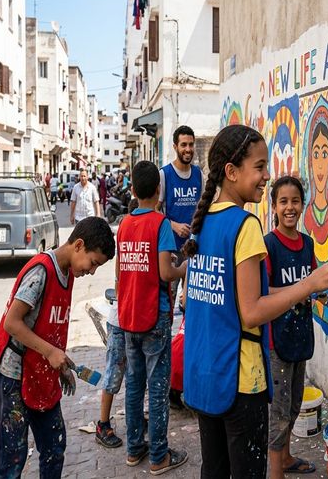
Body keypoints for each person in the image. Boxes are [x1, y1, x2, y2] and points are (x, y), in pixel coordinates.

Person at [180, 125, 328, 478]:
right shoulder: (245, 225)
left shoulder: (203, 222)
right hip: (239, 379)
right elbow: (252, 310)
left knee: (214, 470)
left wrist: (308, 284)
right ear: (231, 171)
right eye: (259, 166)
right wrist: (308, 285)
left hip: (205, 374)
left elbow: (244, 295)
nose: (267, 175)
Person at [0, 217, 116, 478]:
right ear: (78, 245)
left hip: (40, 373)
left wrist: (59, 364)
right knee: (12, 458)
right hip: (14, 377)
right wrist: (50, 352)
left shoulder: (68, 273)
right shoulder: (41, 272)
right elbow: (12, 323)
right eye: (93, 263)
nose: (92, 271)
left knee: (54, 445)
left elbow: (49, 327)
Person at [116, 160, 188, 473]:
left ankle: (134, 449)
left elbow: (119, 273)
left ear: (132, 190)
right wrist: (185, 268)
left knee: (134, 386)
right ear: (158, 190)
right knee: (157, 390)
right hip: (154, 314)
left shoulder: (123, 224)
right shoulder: (160, 224)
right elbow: (165, 272)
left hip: (128, 315)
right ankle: (159, 456)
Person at [264, 176, 318, 477]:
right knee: (278, 412)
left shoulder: (307, 244)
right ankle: (275, 472)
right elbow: (262, 292)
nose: (290, 207)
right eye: (283, 201)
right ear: (274, 206)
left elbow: (311, 282)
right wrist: (298, 290)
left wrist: (318, 289)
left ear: (303, 204)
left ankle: (285, 458)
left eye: (295, 201)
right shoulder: (269, 245)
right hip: (277, 342)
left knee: (294, 405)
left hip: (300, 338)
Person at [95, 197, 139, 450]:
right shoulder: (129, 243)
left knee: (133, 374)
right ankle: (102, 423)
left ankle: (133, 418)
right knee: (115, 372)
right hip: (121, 321)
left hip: (128, 319)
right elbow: (121, 282)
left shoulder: (130, 241)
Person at [157, 125, 204, 310]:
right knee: (168, 300)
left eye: (191, 144)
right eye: (184, 145)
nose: (188, 149)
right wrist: (173, 225)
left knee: (192, 301)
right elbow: (155, 212)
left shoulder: (199, 174)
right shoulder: (164, 175)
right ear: (175, 147)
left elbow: (203, 207)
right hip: (171, 250)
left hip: (193, 248)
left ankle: (187, 329)